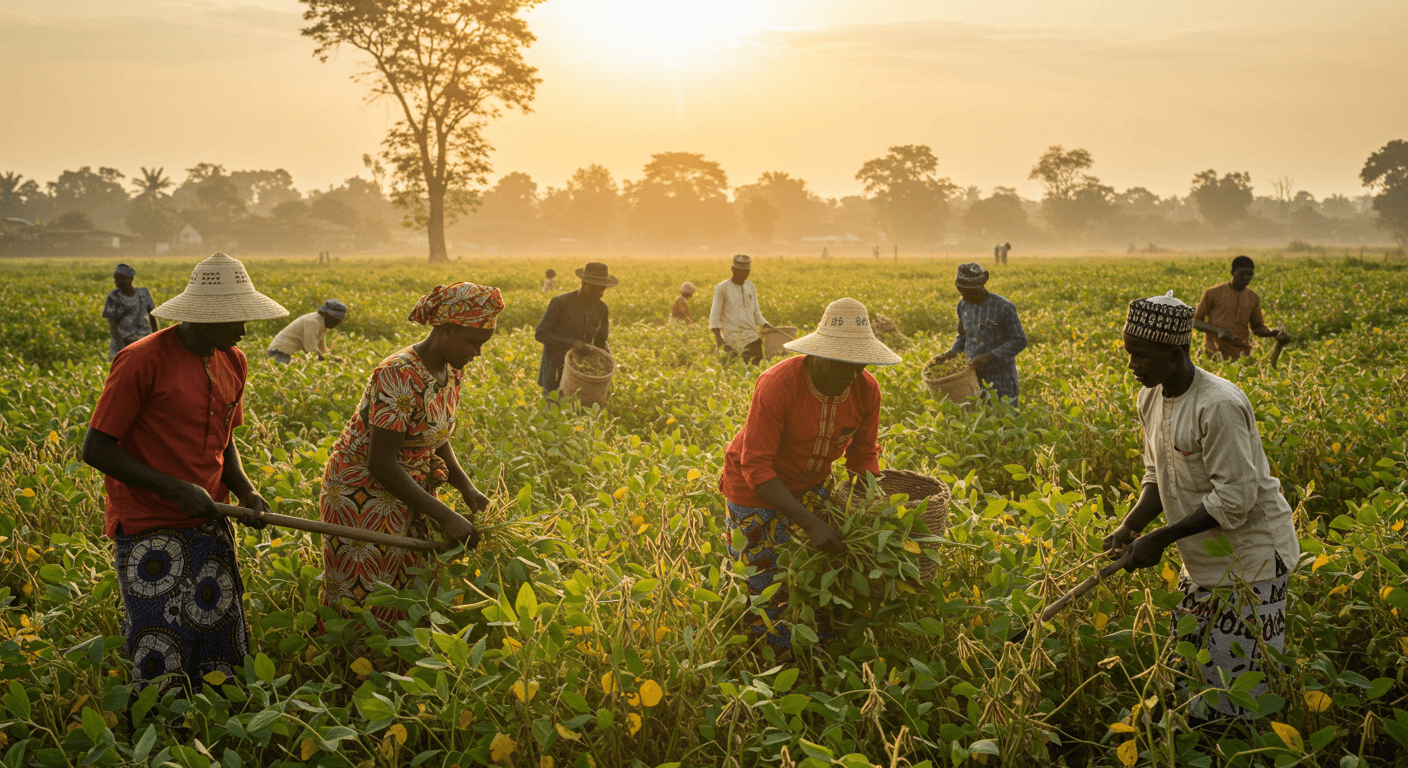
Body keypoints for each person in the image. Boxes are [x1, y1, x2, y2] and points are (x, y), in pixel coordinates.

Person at [81, 253, 288, 692]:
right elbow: (96, 448)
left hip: (210, 518)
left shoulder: (234, 360)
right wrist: (177, 489)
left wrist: (245, 490)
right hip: (150, 523)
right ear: (205, 315)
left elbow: (224, 438)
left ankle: (215, 721)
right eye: (236, 319)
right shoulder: (141, 360)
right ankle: (159, 731)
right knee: (161, 648)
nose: (244, 330)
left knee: (218, 640)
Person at [1105, 290, 1299, 724]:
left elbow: (1235, 498)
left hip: (1252, 561)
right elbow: (1158, 476)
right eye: (1129, 352)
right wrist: (1131, 527)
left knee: (1240, 690)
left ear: (1175, 355)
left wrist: (1160, 538)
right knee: (1190, 671)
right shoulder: (1150, 397)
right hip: (1203, 559)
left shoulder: (1219, 404)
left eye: (1141, 355)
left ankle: (1239, 744)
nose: (1132, 364)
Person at [719, 297, 900, 661]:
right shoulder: (778, 384)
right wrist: (811, 522)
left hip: (811, 483)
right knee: (763, 581)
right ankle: (770, 660)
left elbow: (863, 455)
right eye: (840, 363)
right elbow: (757, 467)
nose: (851, 374)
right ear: (817, 355)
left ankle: (819, 649)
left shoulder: (866, 389)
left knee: (812, 571)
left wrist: (874, 505)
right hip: (753, 490)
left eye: (859, 364)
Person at [318, 283, 499, 626]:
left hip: (408, 485)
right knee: (368, 593)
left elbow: (435, 436)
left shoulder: (452, 369)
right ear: (445, 330)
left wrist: (467, 488)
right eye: (473, 342)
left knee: (411, 584)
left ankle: (398, 656)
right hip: (363, 490)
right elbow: (381, 463)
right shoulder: (398, 373)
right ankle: (350, 656)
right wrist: (445, 515)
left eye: (482, 344)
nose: (477, 352)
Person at [933, 262, 1028, 406]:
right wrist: (952, 352)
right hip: (972, 376)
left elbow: (1019, 340)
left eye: (967, 291)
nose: (963, 295)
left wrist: (990, 356)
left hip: (1001, 377)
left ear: (979, 286)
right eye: (960, 290)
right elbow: (963, 336)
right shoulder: (963, 306)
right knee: (978, 415)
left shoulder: (1003, 307)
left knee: (1004, 415)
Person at [535, 262, 616, 397]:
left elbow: (601, 341)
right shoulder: (560, 302)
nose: (602, 294)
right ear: (586, 285)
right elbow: (540, 334)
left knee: (582, 406)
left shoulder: (602, 308)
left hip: (583, 373)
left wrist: (605, 360)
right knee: (554, 404)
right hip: (555, 370)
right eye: (598, 289)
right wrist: (571, 343)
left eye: (603, 289)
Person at [1193, 256, 1291, 361]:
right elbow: (1196, 322)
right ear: (1232, 272)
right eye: (1242, 274)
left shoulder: (1253, 297)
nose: (1246, 277)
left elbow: (1257, 327)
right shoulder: (1212, 293)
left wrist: (1274, 332)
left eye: (1250, 274)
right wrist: (1218, 331)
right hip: (1214, 353)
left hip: (1242, 356)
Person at [709, 254, 773, 365]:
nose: (744, 274)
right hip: (731, 339)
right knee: (735, 370)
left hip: (751, 337)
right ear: (732, 269)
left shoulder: (750, 286)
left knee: (757, 368)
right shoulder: (722, 288)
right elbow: (715, 316)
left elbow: (756, 313)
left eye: (747, 272)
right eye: (740, 271)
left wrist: (766, 324)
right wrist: (719, 339)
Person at [103, 263, 158, 360]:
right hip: (122, 342)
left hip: (143, 340)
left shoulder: (144, 293)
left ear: (131, 279)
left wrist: (156, 339)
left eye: (121, 278)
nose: (117, 282)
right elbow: (112, 324)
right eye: (116, 278)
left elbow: (152, 316)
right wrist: (122, 348)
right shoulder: (113, 297)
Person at [266, 299, 347, 364]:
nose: (336, 324)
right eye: (336, 320)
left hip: (288, 355)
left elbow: (321, 348)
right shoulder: (313, 322)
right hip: (279, 354)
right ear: (329, 316)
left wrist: (331, 358)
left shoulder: (321, 324)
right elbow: (310, 347)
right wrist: (326, 360)